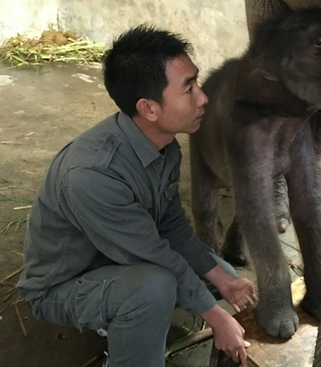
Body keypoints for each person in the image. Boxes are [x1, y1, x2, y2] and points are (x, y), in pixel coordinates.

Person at [16, 25, 256, 367]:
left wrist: (222, 281)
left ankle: (130, 311)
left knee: (219, 272)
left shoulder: (164, 145)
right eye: (188, 89)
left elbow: (171, 226)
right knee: (153, 288)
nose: (203, 97)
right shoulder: (93, 174)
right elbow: (156, 253)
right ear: (149, 108)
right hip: (62, 285)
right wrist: (217, 318)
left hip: (120, 253)